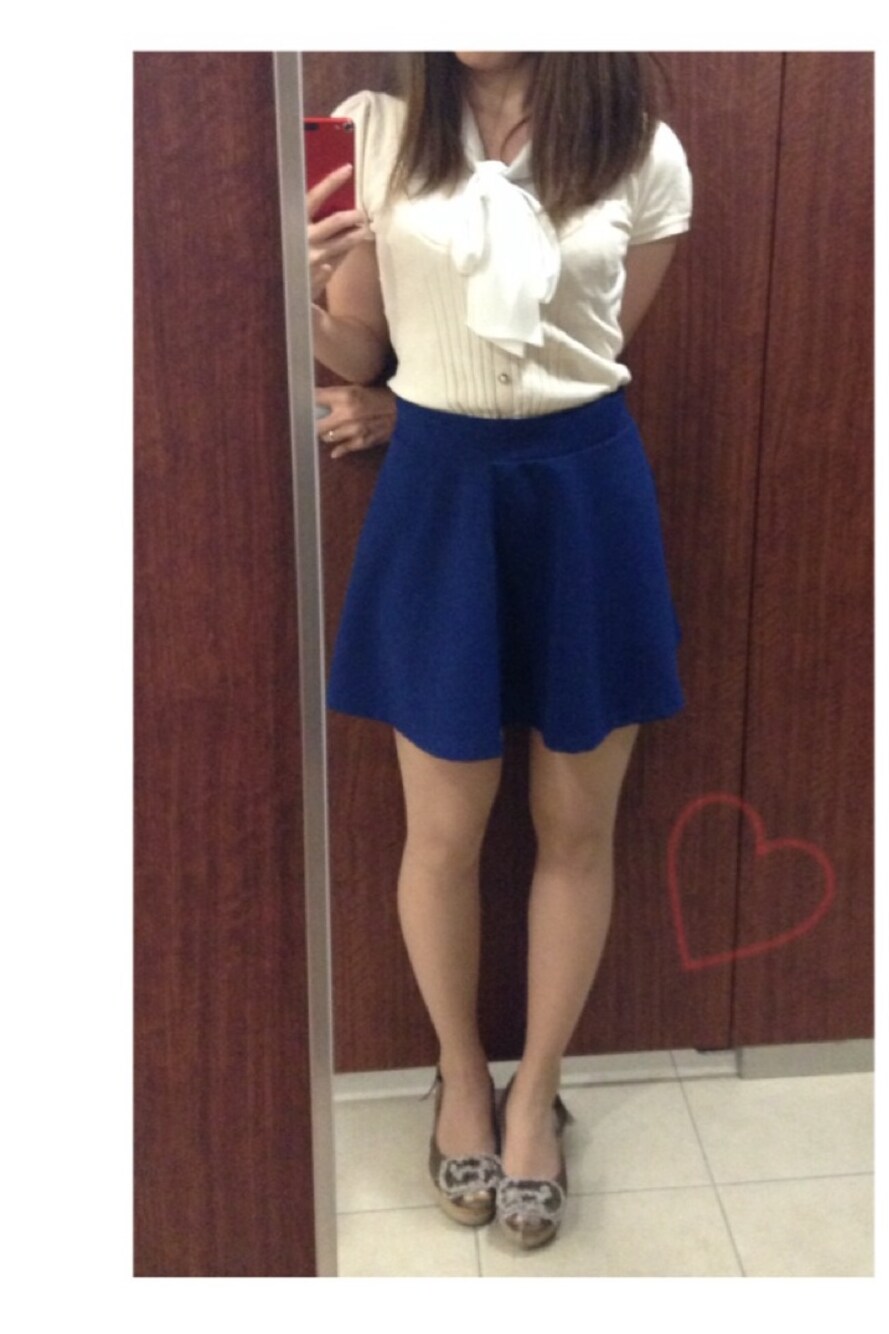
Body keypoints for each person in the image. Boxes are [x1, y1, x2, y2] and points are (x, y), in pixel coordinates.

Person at [306, 51, 692, 1250]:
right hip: (437, 493)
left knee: (577, 824)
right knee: (441, 831)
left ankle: (536, 1095)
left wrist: (468, 399)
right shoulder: (375, 132)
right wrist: (296, 289)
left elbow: (593, 347)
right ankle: (461, 1075)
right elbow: (354, 350)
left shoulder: (641, 147)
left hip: (584, 492)